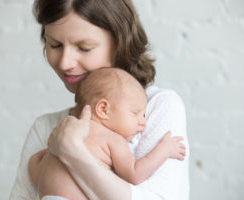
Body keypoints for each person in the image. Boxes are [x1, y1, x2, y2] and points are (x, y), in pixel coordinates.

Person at [10, 0, 189, 199]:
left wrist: (73, 152)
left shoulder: (159, 106)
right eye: (55, 45)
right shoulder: (44, 127)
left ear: (120, 43)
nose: (65, 62)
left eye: (85, 48)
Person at [28, 68, 186, 200]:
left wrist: (39, 157)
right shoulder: (113, 139)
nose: (143, 122)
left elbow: (36, 174)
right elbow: (134, 174)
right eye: (136, 113)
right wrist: (164, 150)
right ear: (103, 109)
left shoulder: (66, 130)